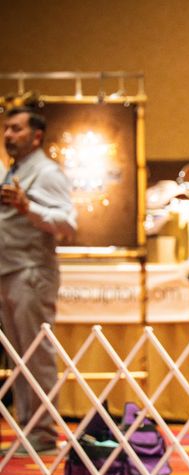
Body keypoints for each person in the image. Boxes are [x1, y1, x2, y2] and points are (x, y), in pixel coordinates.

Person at [0, 106, 77, 455]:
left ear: (36, 136)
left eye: (16, 129)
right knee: (19, 357)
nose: (8, 135)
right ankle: (29, 429)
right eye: (6, 128)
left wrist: (27, 207)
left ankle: (43, 433)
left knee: (35, 354)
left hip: (31, 272)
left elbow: (68, 225)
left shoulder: (46, 172)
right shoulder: (14, 170)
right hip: (10, 270)